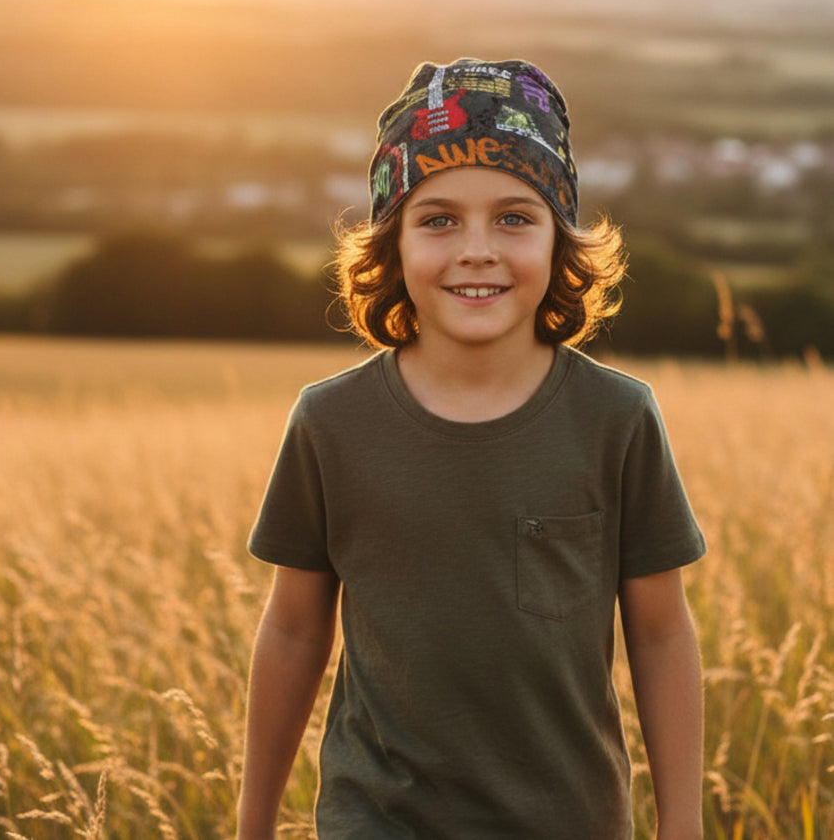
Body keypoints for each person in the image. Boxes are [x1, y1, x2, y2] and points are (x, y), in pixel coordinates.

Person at [237, 58, 705, 840]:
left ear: (562, 237)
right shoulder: (331, 423)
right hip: (376, 822)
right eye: (439, 219)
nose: (477, 250)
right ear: (391, 242)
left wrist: (682, 826)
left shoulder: (617, 419)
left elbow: (660, 633)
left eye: (515, 217)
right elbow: (291, 629)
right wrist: (252, 826)